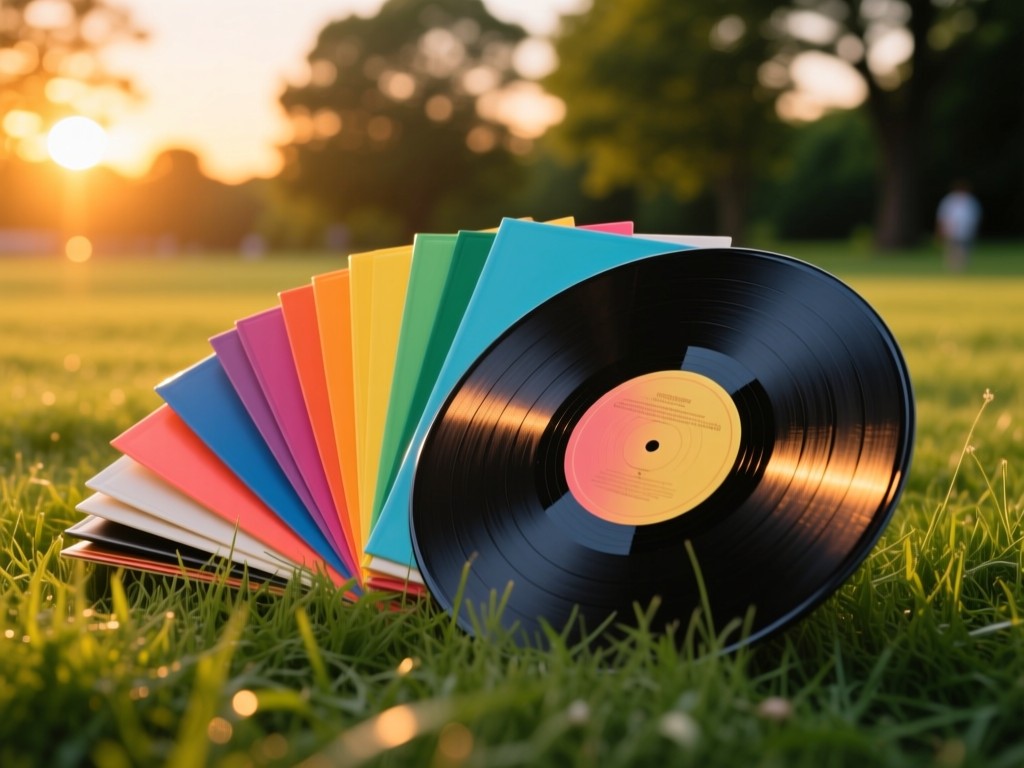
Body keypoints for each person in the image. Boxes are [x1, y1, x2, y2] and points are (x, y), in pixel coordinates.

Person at [935, 180, 982, 272]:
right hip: (952, 230)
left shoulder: (971, 201)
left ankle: (962, 268)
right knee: (952, 249)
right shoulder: (949, 200)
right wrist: (942, 229)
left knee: (965, 249)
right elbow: (943, 216)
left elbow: (975, 217)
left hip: (966, 231)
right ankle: (953, 268)